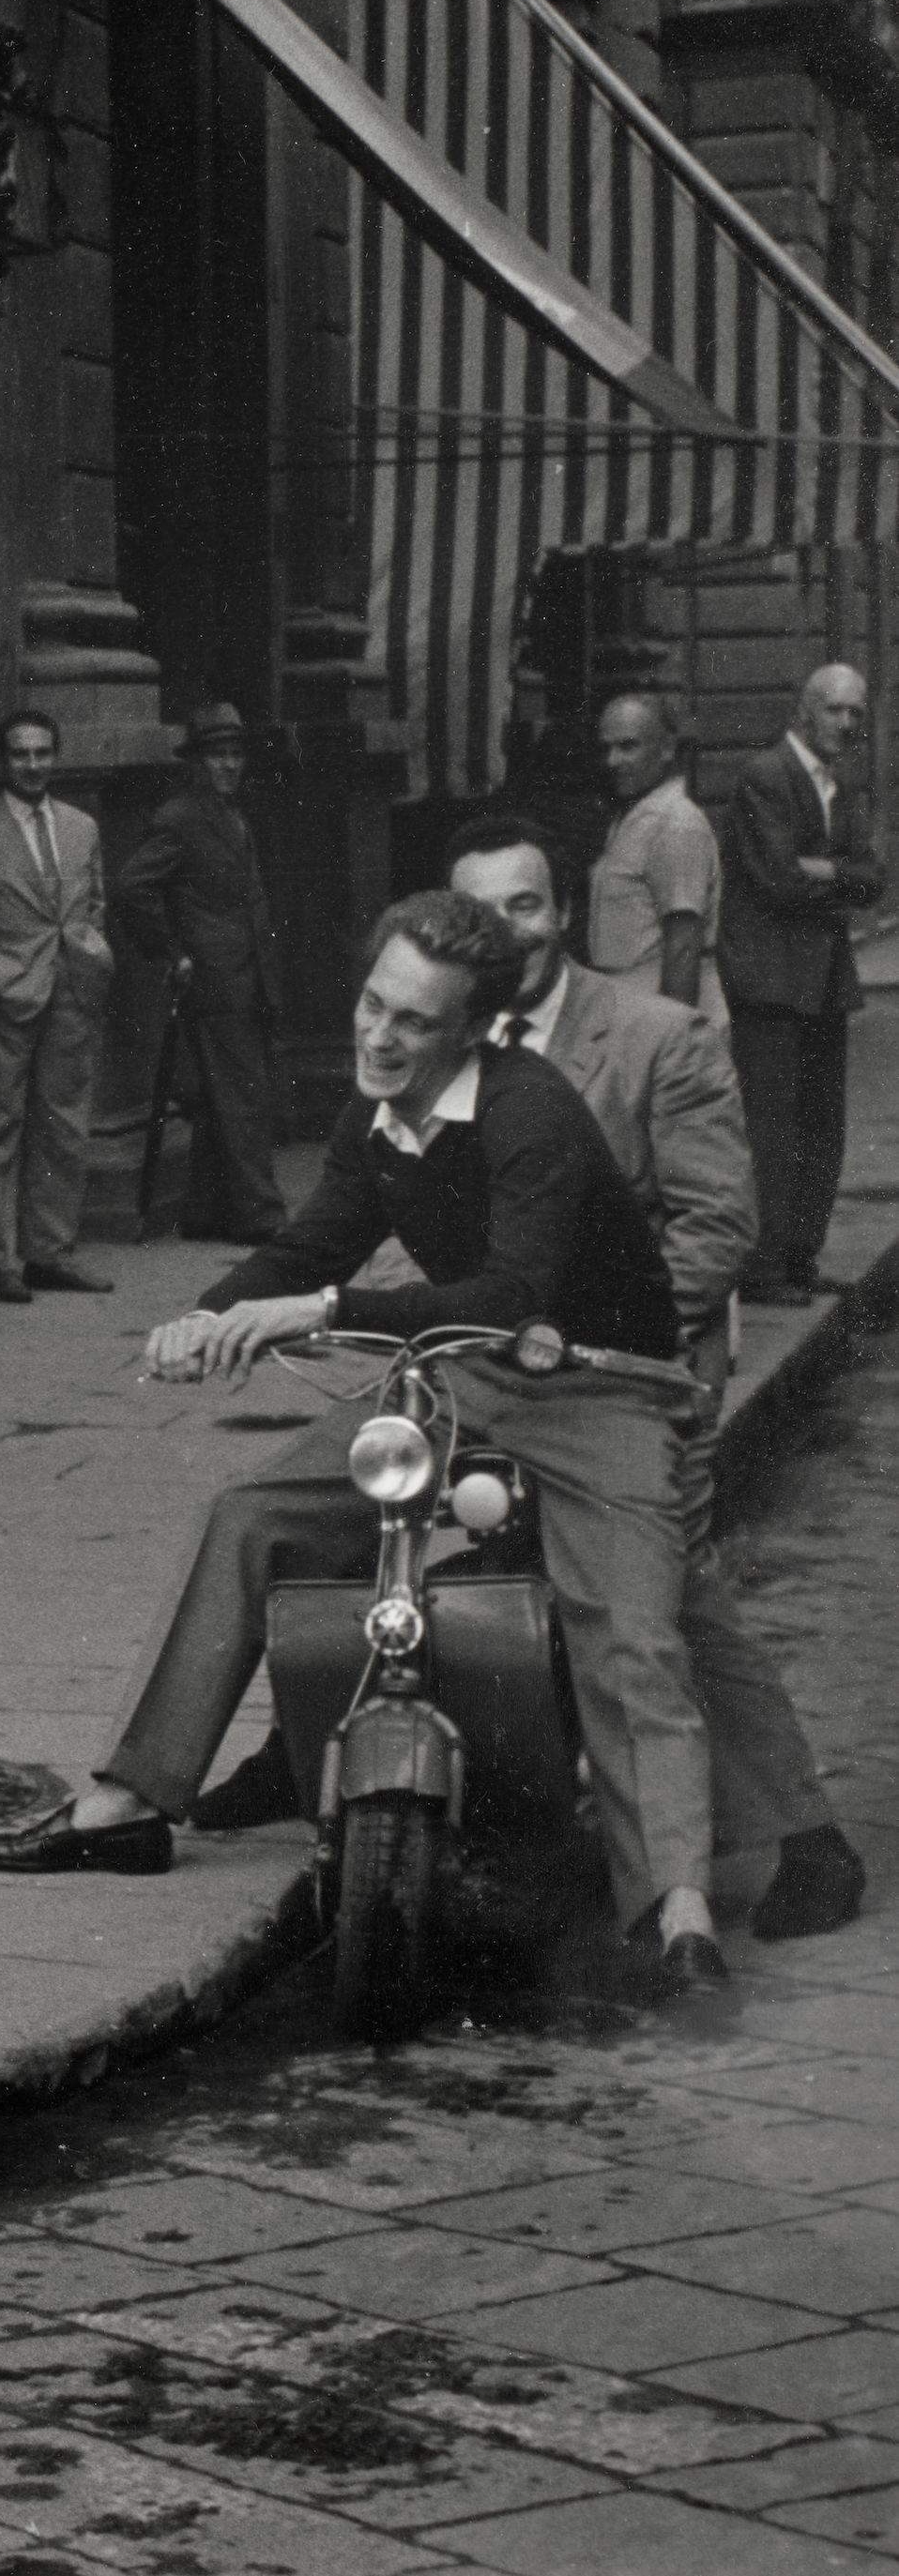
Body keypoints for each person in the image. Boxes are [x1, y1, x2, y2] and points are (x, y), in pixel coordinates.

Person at [0, 890, 735, 2026]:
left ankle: (677, 1914)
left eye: (414, 1024)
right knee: (252, 1514)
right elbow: (315, 1235)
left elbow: (512, 1290)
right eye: (375, 1005)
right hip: (463, 1378)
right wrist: (211, 1314)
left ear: (472, 1032)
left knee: (631, 1630)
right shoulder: (376, 1114)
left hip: (600, 1387)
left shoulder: (530, 1114)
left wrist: (315, 1310)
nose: (380, 1036)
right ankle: (128, 1803)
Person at [442, 820, 856, 1936]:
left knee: (667, 1596)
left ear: (563, 912)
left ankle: (808, 1842)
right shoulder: (454, 1038)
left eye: (526, 907)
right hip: (508, 1367)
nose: (506, 933)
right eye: (481, 914)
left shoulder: (655, 1034)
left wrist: (581, 1333)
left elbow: (719, 1227)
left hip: (640, 1368)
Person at [0, 708, 116, 1302]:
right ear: (3, 760)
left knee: (65, 1124)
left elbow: (94, 905)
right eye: (21, 754)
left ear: (55, 757)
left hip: (71, 992)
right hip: (4, 996)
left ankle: (51, 1252)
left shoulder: (81, 827)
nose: (33, 765)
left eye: (42, 753)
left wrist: (89, 958)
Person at [716, 662, 884, 1304]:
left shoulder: (835, 785)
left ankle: (797, 1258)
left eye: (855, 713)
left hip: (821, 978)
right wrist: (837, 875)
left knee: (820, 1122)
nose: (846, 723)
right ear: (803, 710)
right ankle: (762, 1266)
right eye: (835, 710)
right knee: (771, 1124)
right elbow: (780, 880)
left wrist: (827, 871)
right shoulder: (766, 775)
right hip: (769, 979)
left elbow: (874, 881)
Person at [114, 703, 290, 1244]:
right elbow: (131, 887)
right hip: (213, 977)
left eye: (236, 755)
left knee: (223, 1094)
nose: (230, 766)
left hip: (247, 970)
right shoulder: (180, 817)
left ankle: (207, 1211)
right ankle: (261, 1215)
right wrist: (171, 952)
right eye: (218, 756)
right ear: (196, 763)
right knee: (243, 1093)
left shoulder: (231, 814)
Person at [586, 692, 724, 1025]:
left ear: (666, 749)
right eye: (606, 748)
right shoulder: (635, 814)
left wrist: (673, 1040)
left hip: (657, 1009)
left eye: (628, 746)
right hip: (626, 1005)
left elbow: (683, 944)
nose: (613, 760)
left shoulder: (674, 822)